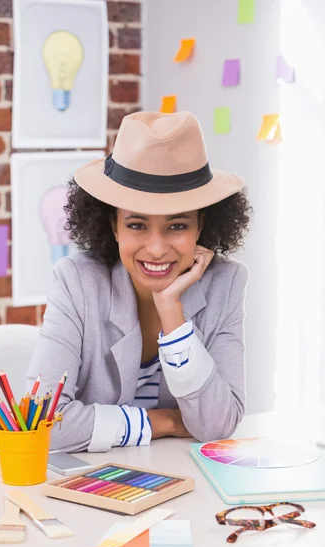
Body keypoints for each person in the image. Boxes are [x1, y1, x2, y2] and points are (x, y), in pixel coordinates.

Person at [26, 110, 252, 453]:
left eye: (177, 226)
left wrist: (173, 316)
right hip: (93, 487)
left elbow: (217, 426)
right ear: (113, 225)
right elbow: (40, 422)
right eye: (136, 225)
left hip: (183, 486)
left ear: (202, 226)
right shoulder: (76, 282)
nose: (157, 249)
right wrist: (166, 422)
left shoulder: (226, 283)